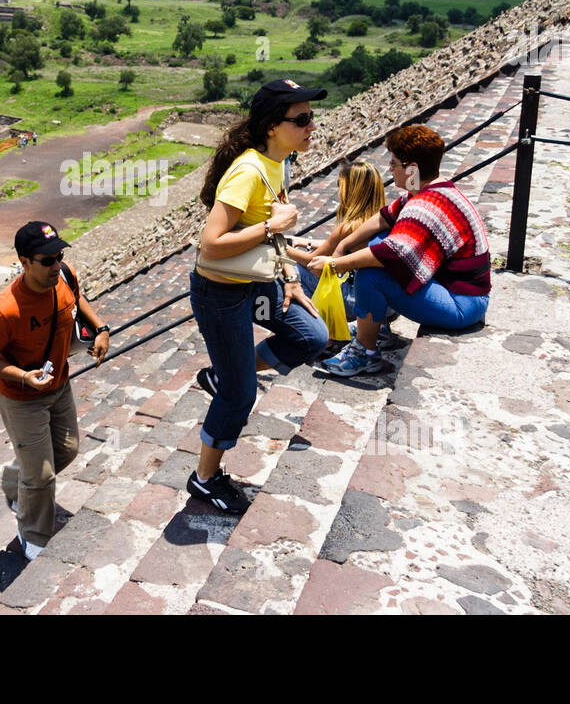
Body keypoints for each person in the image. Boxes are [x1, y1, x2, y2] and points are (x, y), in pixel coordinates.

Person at [189, 79, 330, 514]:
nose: (312, 126)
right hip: (221, 294)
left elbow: (274, 236)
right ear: (272, 126)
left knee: (312, 337)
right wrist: (272, 228)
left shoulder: (278, 162)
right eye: (302, 119)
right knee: (241, 396)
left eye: (312, 117)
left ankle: (226, 376)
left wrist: (289, 275)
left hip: (257, 282)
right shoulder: (248, 172)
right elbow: (210, 243)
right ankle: (205, 477)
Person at [0, 222, 109, 561]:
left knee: (67, 451)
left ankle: (11, 479)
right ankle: (33, 535)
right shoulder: (5, 310)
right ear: (24, 262)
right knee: (41, 474)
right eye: (47, 260)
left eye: (59, 256)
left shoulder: (63, 276)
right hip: (21, 397)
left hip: (59, 384)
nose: (56, 265)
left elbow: (76, 299)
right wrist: (22, 376)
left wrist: (101, 328)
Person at [321, 125, 491, 376]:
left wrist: (334, 264)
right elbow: (384, 218)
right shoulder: (434, 189)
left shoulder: (424, 205)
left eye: (394, 163)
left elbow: (389, 255)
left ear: (412, 169)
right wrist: (343, 245)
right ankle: (375, 327)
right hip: (468, 295)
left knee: (372, 273)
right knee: (376, 239)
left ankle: (365, 352)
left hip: (462, 304)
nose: (390, 169)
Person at [290, 161, 386, 328]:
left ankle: (320, 329)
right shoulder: (380, 219)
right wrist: (306, 242)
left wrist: (283, 249)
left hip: (356, 300)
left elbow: (312, 261)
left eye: (339, 184)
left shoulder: (348, 228)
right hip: (388, 302)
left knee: (296, 270)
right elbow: (338, 246)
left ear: (350, 189)